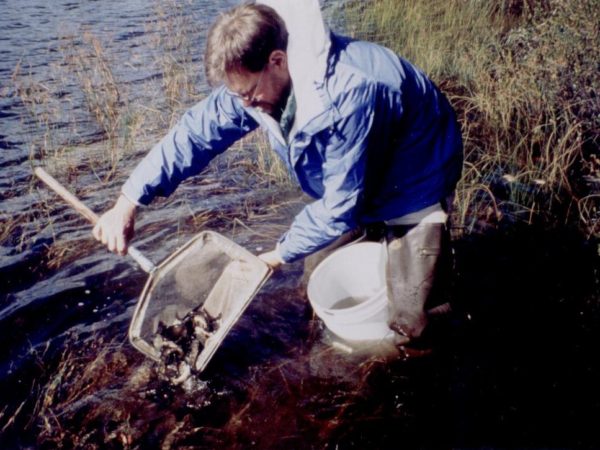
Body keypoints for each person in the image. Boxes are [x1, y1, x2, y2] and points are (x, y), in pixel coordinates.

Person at [92, 0, 463, 349]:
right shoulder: (250, 85)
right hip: (351, 182)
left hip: (415, 177)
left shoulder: (351, 91)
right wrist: (129, 200)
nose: (245, 105)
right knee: (314, 286)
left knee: (412, 319)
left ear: (277, 60)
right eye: (237, 97)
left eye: (249, 94)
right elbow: (194, 134)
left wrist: (273, 256)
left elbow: (338, 209)